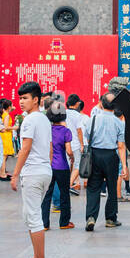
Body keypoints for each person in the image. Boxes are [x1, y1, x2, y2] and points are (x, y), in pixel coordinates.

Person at [10, 81, 53, 258]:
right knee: (31, 216)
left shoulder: (29, 120)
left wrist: (15, 173)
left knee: (34, 218)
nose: (21, 102)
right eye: (20, 98)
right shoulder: (44, 119)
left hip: (33, 172)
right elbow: (50, 148)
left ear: (36, 100)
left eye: (25, 98)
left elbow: (25, 147)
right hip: (44, 171)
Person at [84, 92, 126, 231]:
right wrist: (124, 166)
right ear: (115, 106)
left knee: (93, 187)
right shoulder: (119, 122)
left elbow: (87, 138)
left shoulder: (93, 119)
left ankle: (91, 217)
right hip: (111, 156)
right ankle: (110, 218)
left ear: (101, 103)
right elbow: (120, 146)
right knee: (112, 188)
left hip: (95, 155)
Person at [42, 99, 75, 230]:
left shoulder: (47, 130)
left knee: (47, 195)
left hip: (49, 166)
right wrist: (72, 157)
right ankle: (64, 222)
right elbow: (68, 150)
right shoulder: (66, 131)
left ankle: (44, 223)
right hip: (62, 166)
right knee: (64, 193)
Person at [65, 94, 87, 197]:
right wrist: (82, 144)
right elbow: (79, 131)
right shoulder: (78, 115)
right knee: (78, 165)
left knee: (67, 164)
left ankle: (66, 184)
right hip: (75, 144)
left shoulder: (63, 113)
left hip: (65, 144)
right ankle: (68, 184)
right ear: (77, 103)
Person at [0, 98, 16, 181]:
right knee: (4, 157)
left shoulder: (3, 113)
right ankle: (2, 174)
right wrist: (14, 127)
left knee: (3, 156)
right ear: (9, 107)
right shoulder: (7, 115)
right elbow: (5, 127)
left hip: (4, 135)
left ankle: (2, 173)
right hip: (5, 136)